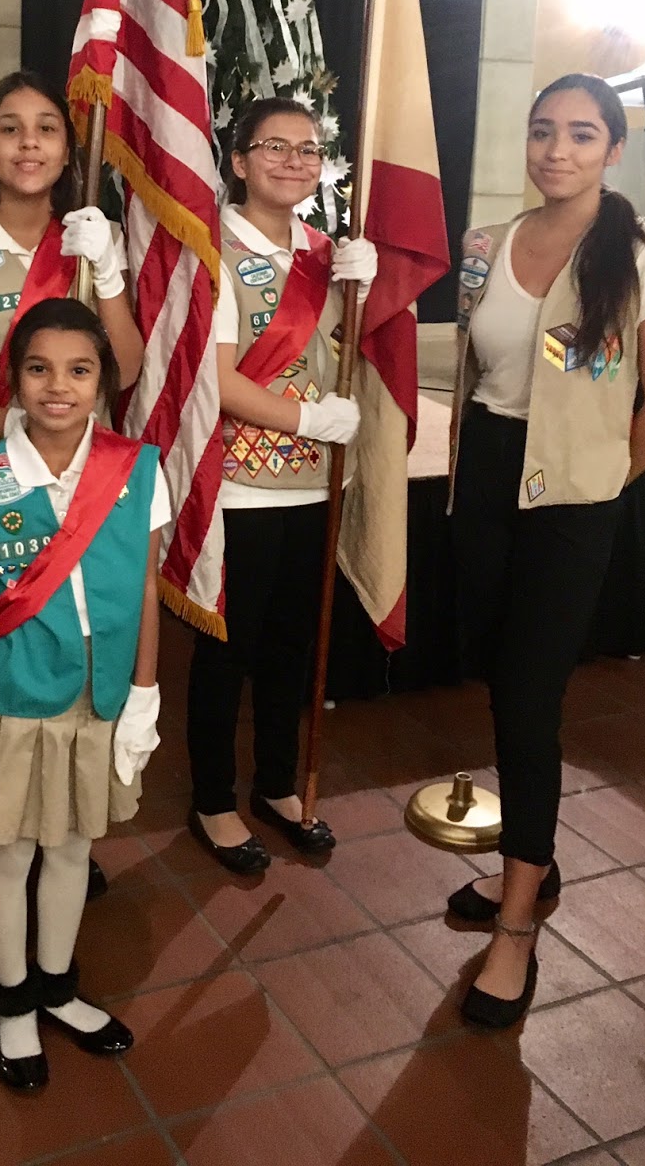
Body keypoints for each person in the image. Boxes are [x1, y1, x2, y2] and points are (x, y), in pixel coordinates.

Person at [447, 73, 645, 1027]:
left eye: (581, 135)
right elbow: (483, 370)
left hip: (572, 496)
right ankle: (533, 865)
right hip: (490, 483)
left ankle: (516, 926)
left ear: (613, 150)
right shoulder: (494, 244)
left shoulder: (641, 256)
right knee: (501, 682)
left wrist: (596, 492)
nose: (557, 149)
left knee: (531, 698)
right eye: (543, 131)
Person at [0, 298, 168, 1090]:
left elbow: (145, 589)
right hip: (14, 697)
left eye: (80, 371)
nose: (59, 387)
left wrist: (143, 694)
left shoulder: (137, 468)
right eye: (39, 369)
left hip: (102, 694)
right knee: (9, 851)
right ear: (12, 380)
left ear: (103, 383)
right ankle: (12, 996)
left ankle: (56, 984)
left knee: (74, 848)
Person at [0, 70, 144, 920]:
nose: (31, 143)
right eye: (11, 128)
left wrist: (109, 273)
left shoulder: (87, 244)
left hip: (78, 495)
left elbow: (130, 368)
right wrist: (18, 426)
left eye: (48, 128)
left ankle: (61, 844)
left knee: (70, 666)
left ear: (69, 150)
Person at [186, 98, 377, 873]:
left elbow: (347, 358)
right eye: (275, 147)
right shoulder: (211, 249)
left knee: (291, 648)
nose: (295, 162)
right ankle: (211, 800)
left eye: (309, 150)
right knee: (225, 652)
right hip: (238, 486)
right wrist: (308, 422)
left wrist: (373, 293)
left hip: (314, 487)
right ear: (237, 161)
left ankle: (274, 782)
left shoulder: (330, 253)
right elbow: (220, 382)